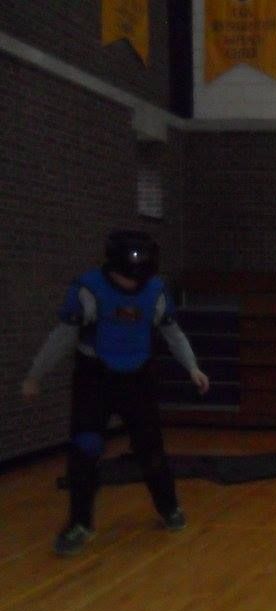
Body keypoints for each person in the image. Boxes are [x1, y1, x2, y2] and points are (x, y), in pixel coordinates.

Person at [21, 230, 210, 557]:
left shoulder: (155, 292)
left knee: (150, 449)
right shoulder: (89, 290)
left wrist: (192, 367)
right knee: (85, 448)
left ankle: (169, 508)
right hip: (95, 378)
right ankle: (80, 523)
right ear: (112, 268)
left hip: (138, 379)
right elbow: (62, 337)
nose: (130, 285)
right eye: (125, 277)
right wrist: (35, 375)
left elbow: (172, 333)